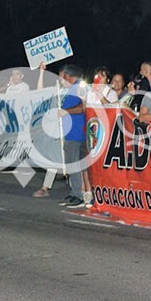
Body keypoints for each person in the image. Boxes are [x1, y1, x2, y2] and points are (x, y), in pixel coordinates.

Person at [56, 65, 87, 208]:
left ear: (68, 76)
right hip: (75, 132)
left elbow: (84, 107)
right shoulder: (74, 89)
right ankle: (76, 192)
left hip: (75, 133)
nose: (60, 80)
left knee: (73, 164)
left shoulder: (78, 88)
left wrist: (66, 111)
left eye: (61, 77)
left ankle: (78, 195)